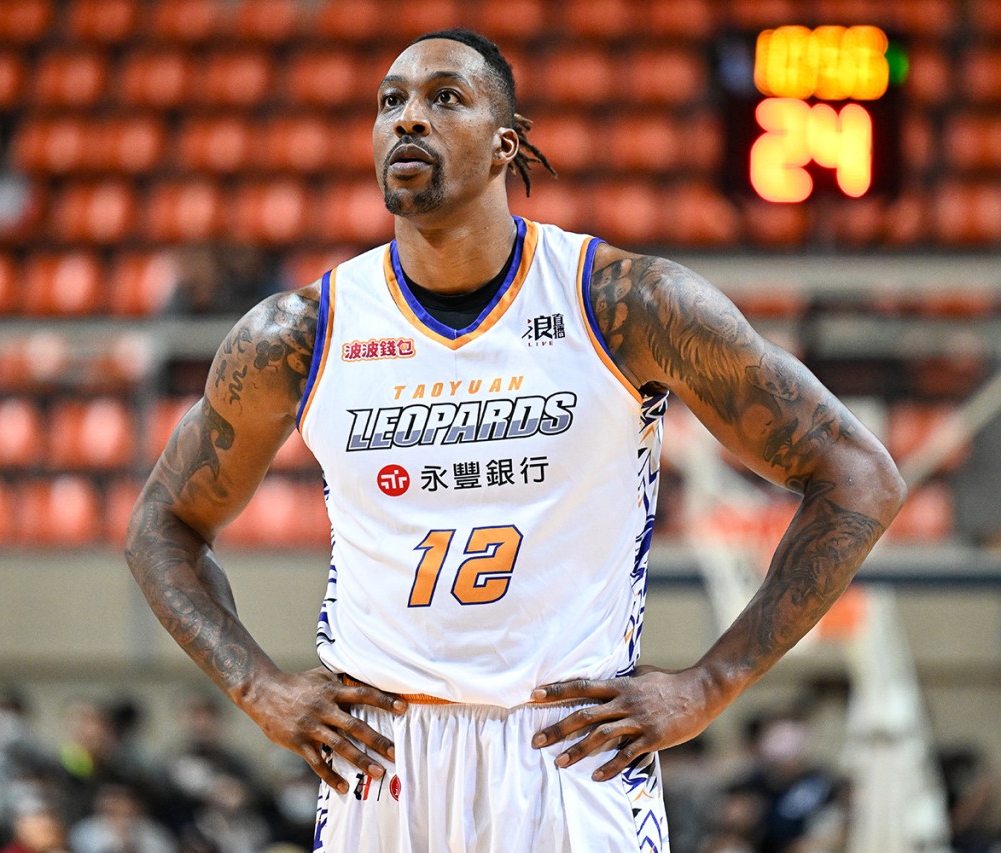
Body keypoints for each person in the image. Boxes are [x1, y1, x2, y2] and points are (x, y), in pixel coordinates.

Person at [125, 28, 906, 852]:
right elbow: (159, 526)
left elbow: (857, 474)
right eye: (391, 101)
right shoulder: (300, 331)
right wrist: (258, 687)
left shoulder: (624, 303)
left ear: (507, 145)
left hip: (570, 749)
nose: (408, 119)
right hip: (380, 756)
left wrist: (712, 682)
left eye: (443, 98)